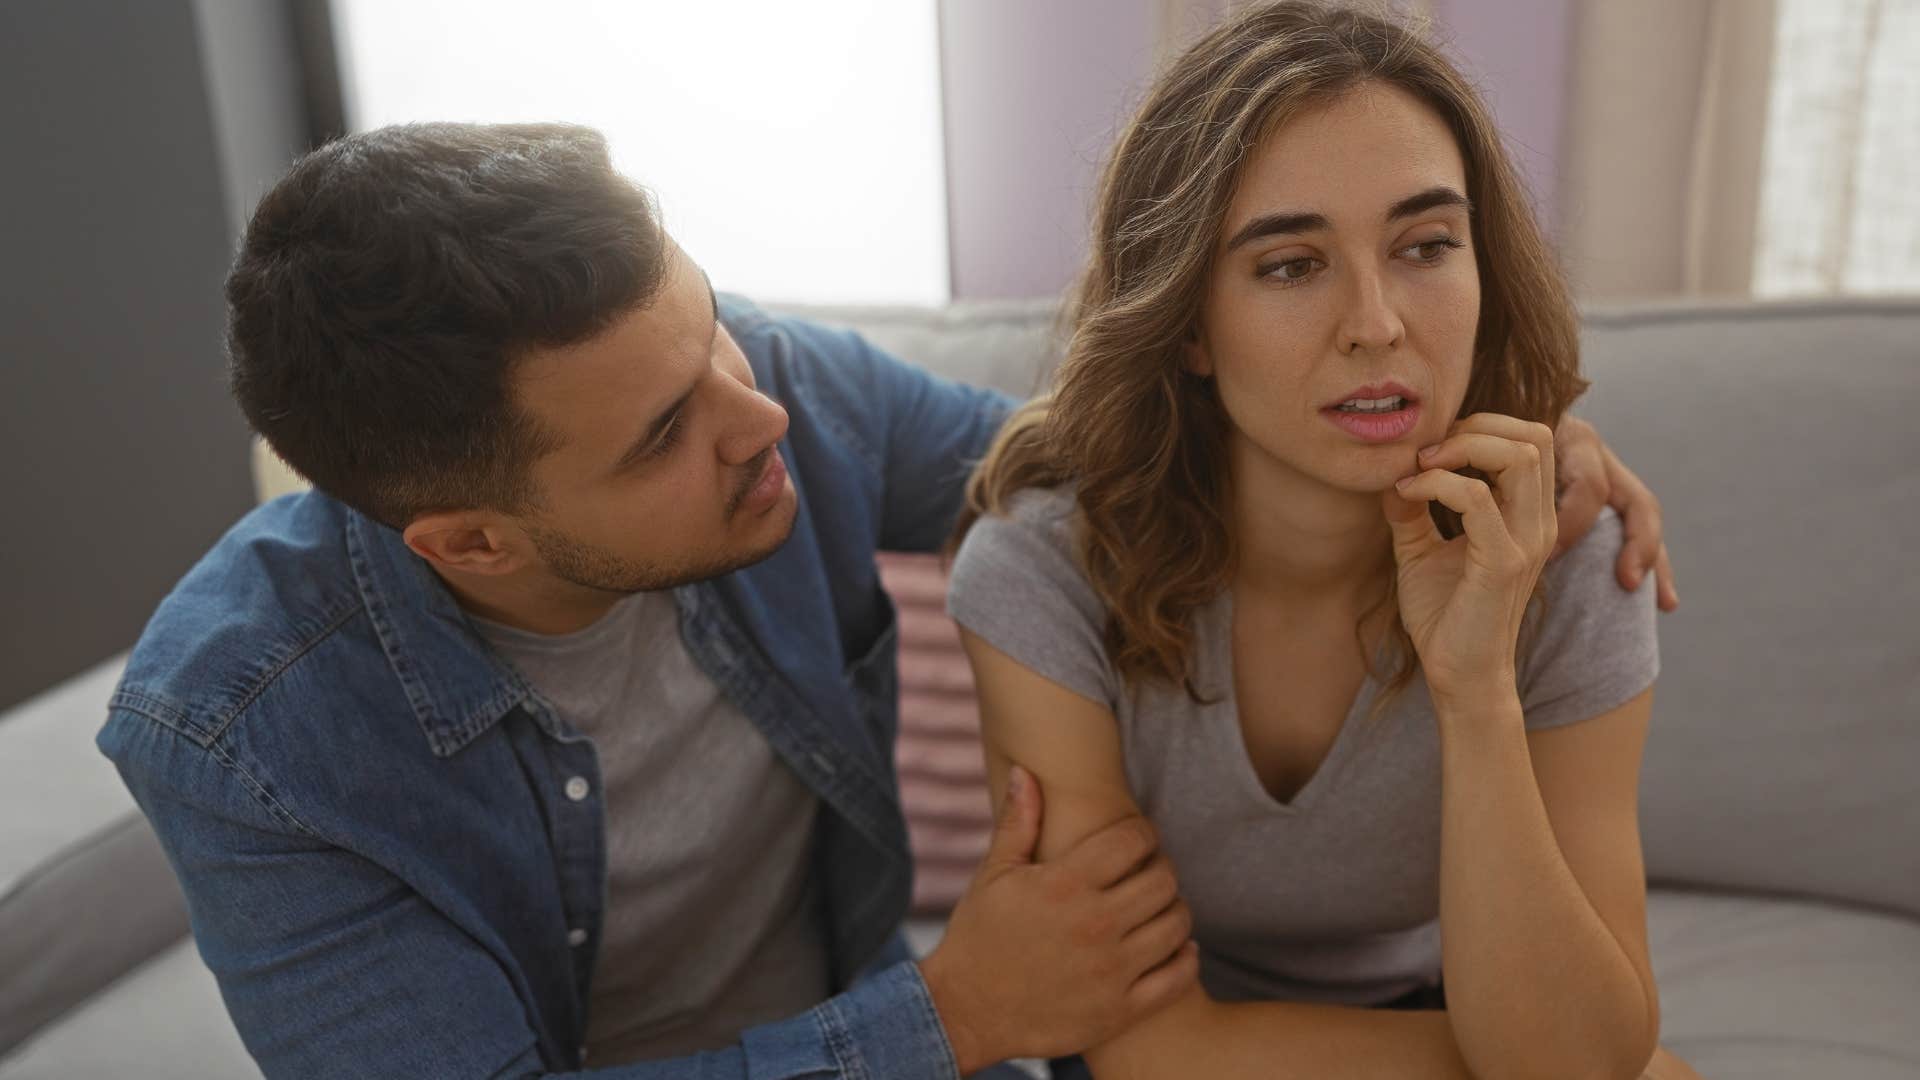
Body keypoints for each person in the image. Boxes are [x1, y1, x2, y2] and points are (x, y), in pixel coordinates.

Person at [96, 120, 1672, 1079]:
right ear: (471, 541)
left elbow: (1110, 481)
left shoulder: (780, 395)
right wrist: (948, 1019)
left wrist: (1451, 438)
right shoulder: (244, 739)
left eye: (711, 330)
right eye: (663, 433)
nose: (756, 413)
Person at [948, 3, 1701, 1078]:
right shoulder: (1042, 573)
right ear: (1191, 324)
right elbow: (1139, 1046)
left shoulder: (1567, 551)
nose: (1378, 324)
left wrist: (1477, 682)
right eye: (1291, 265)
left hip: (1455, 995)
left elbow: (1574, 1058)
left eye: (1427, 246)